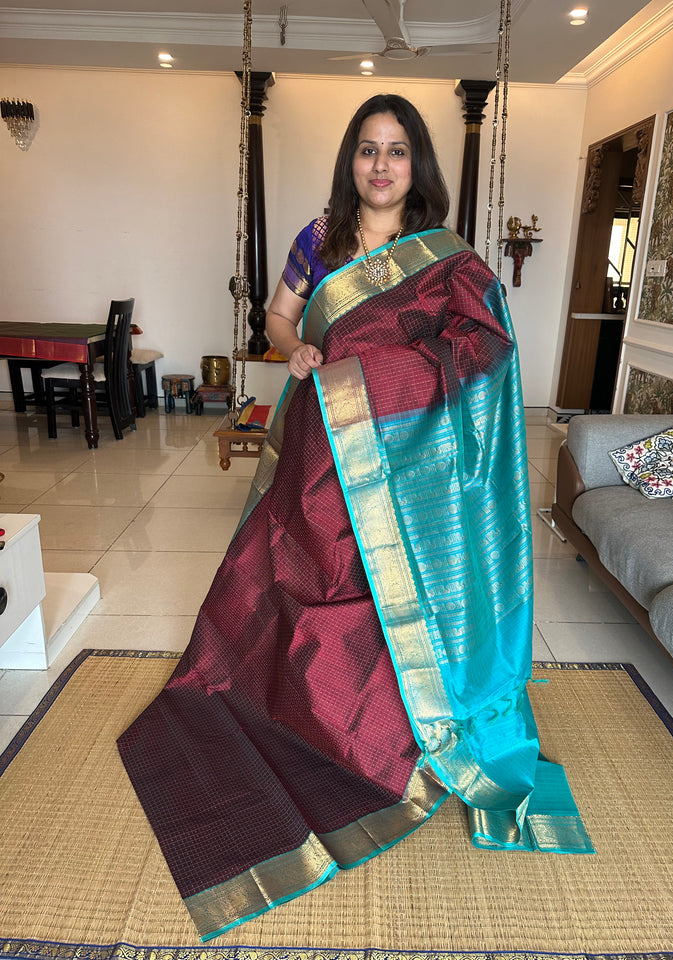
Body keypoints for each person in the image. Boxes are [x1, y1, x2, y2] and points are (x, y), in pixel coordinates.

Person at [118, 94, 592, 944]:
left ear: (419, 167)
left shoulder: (446, 258)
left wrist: (387, 375)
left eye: (398, 151)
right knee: (310, 569)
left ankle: (388, 724)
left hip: (409, 461)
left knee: (387, 586)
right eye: (368, 151)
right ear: (352, 162)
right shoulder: (318, 238)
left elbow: (482, 348)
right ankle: (309, 710)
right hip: (323, 442)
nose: (381, 165)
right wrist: (293, 348)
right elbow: (277, 318)